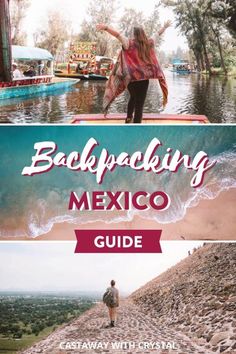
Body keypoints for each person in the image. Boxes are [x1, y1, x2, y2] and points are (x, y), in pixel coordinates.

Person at [96, 21, 171, 123]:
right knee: (139, 104)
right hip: (144, 80)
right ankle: (136, 125)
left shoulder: (128, 43)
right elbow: (157, 34)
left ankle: (128, 118)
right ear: (143, 33)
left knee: (133, 97)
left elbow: (117, 35)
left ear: (134, 34)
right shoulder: (149, 43)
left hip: (130, 80)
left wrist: (106, 27)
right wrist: (165, 26)